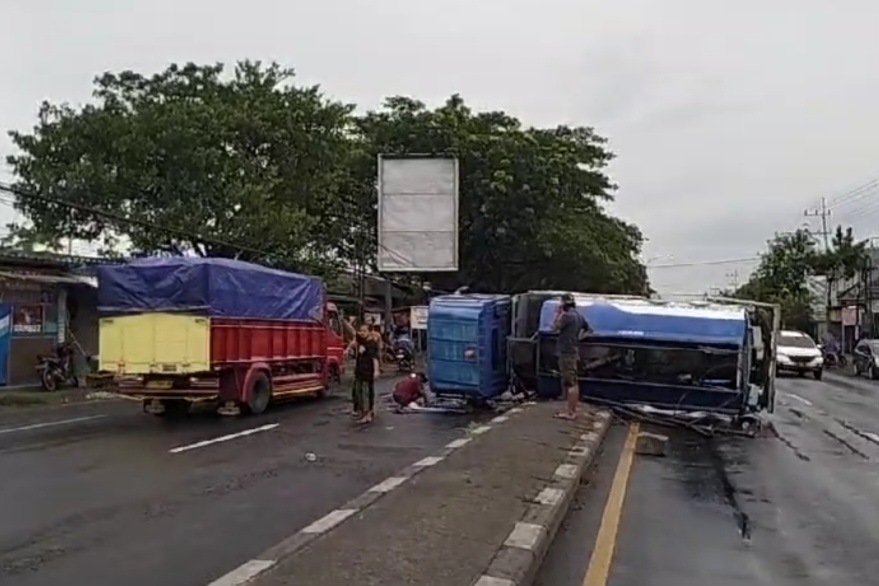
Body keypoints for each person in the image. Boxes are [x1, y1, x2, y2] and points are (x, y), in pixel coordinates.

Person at [553, 293, 586, 420]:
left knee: (570, 383)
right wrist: (578, 339)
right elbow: (589, 330)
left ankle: (571, 413)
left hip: (566, 352)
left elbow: (555, 327)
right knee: (574, 381)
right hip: (573, 351)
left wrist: (558, 313)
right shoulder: (579, 316)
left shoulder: (567, 316)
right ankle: (571, 409)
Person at [347, 324, 380, 423]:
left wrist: (376, 370)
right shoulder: (361, 341)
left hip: (367, 372)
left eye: (364, 331)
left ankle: (368, 414)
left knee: (366, 394)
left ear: (369, 332)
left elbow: (375, 358)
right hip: (359, 371)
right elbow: (353, 336)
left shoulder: (372, 344)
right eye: (361, 331)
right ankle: (362, 412)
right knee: (358, 393)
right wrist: (348, 349)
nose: (362, 333)